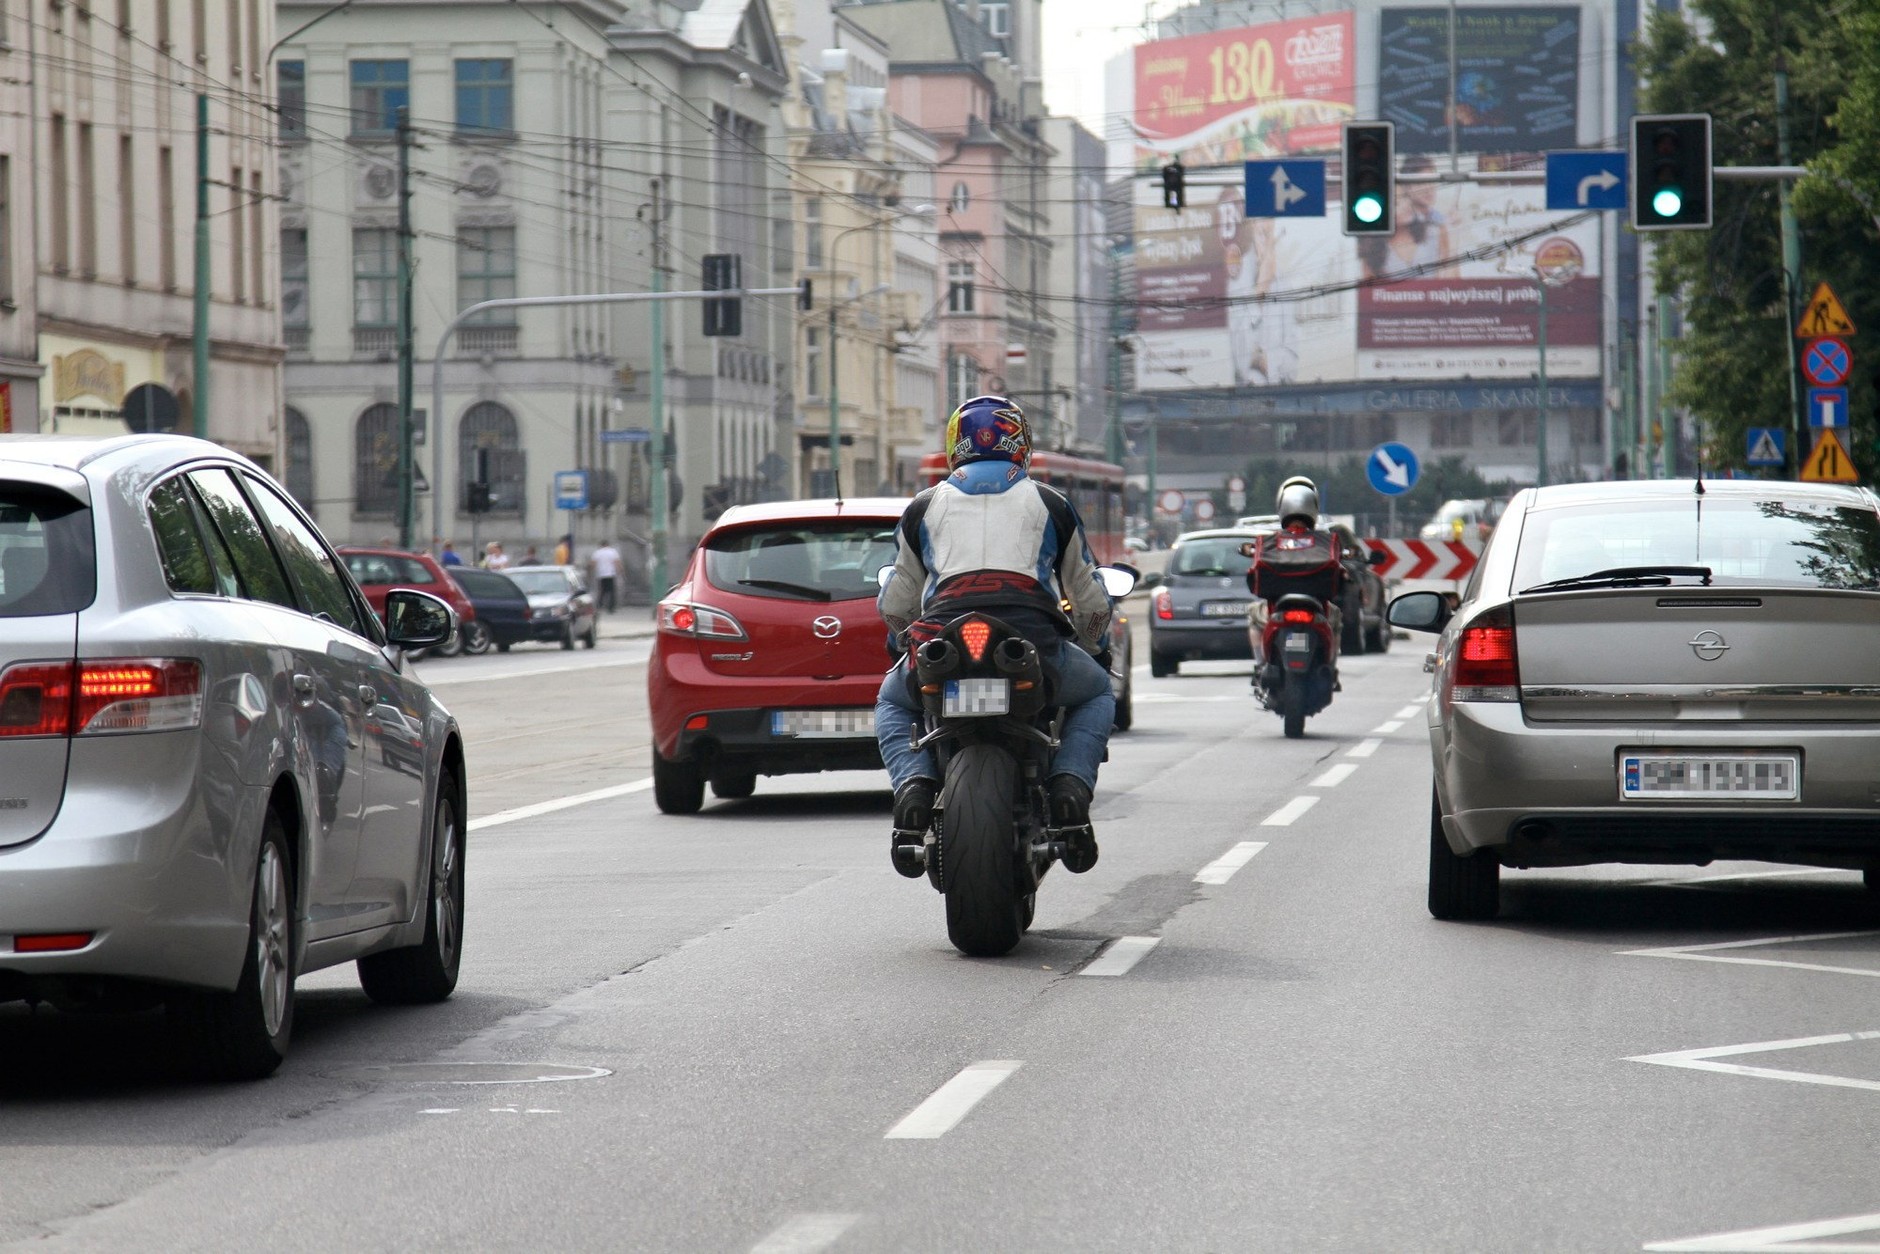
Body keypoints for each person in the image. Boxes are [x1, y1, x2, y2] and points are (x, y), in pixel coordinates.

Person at [875, 395, 1116, 875]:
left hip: (944, 638)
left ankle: (915, 786)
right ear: (1021, 444)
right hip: (1032, 644)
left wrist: (903, 639)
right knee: (1098, 693)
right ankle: (1069, 785)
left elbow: (897, 603)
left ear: (954, 446)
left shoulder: (923, 507)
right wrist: (1095, 646)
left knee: (891, 701)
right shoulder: (1051, 503)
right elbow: (1089, 599)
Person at [1245, 475, 1345, 679]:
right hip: (1317, 609)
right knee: (1335, 620)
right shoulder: (1326, 541)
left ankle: (1260, 664)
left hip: (1278, 607)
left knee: (1253, 616)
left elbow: (1253, 574)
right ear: (1313, 506)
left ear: (1282, 505)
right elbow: (1341, 572)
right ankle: (1331, 668)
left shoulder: (1269, 541)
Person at [590, 540, 622, 612]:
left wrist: (592, 572)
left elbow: (593, 564)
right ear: (608, 544)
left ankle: (599, 605)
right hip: (610, 574)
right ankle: (611, 607)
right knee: (612, 591)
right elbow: (617, 562)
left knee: (602, 590)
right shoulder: (613, 552)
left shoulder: (597, 552)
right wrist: (619, 571)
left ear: (601, 545)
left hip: (601, 574)